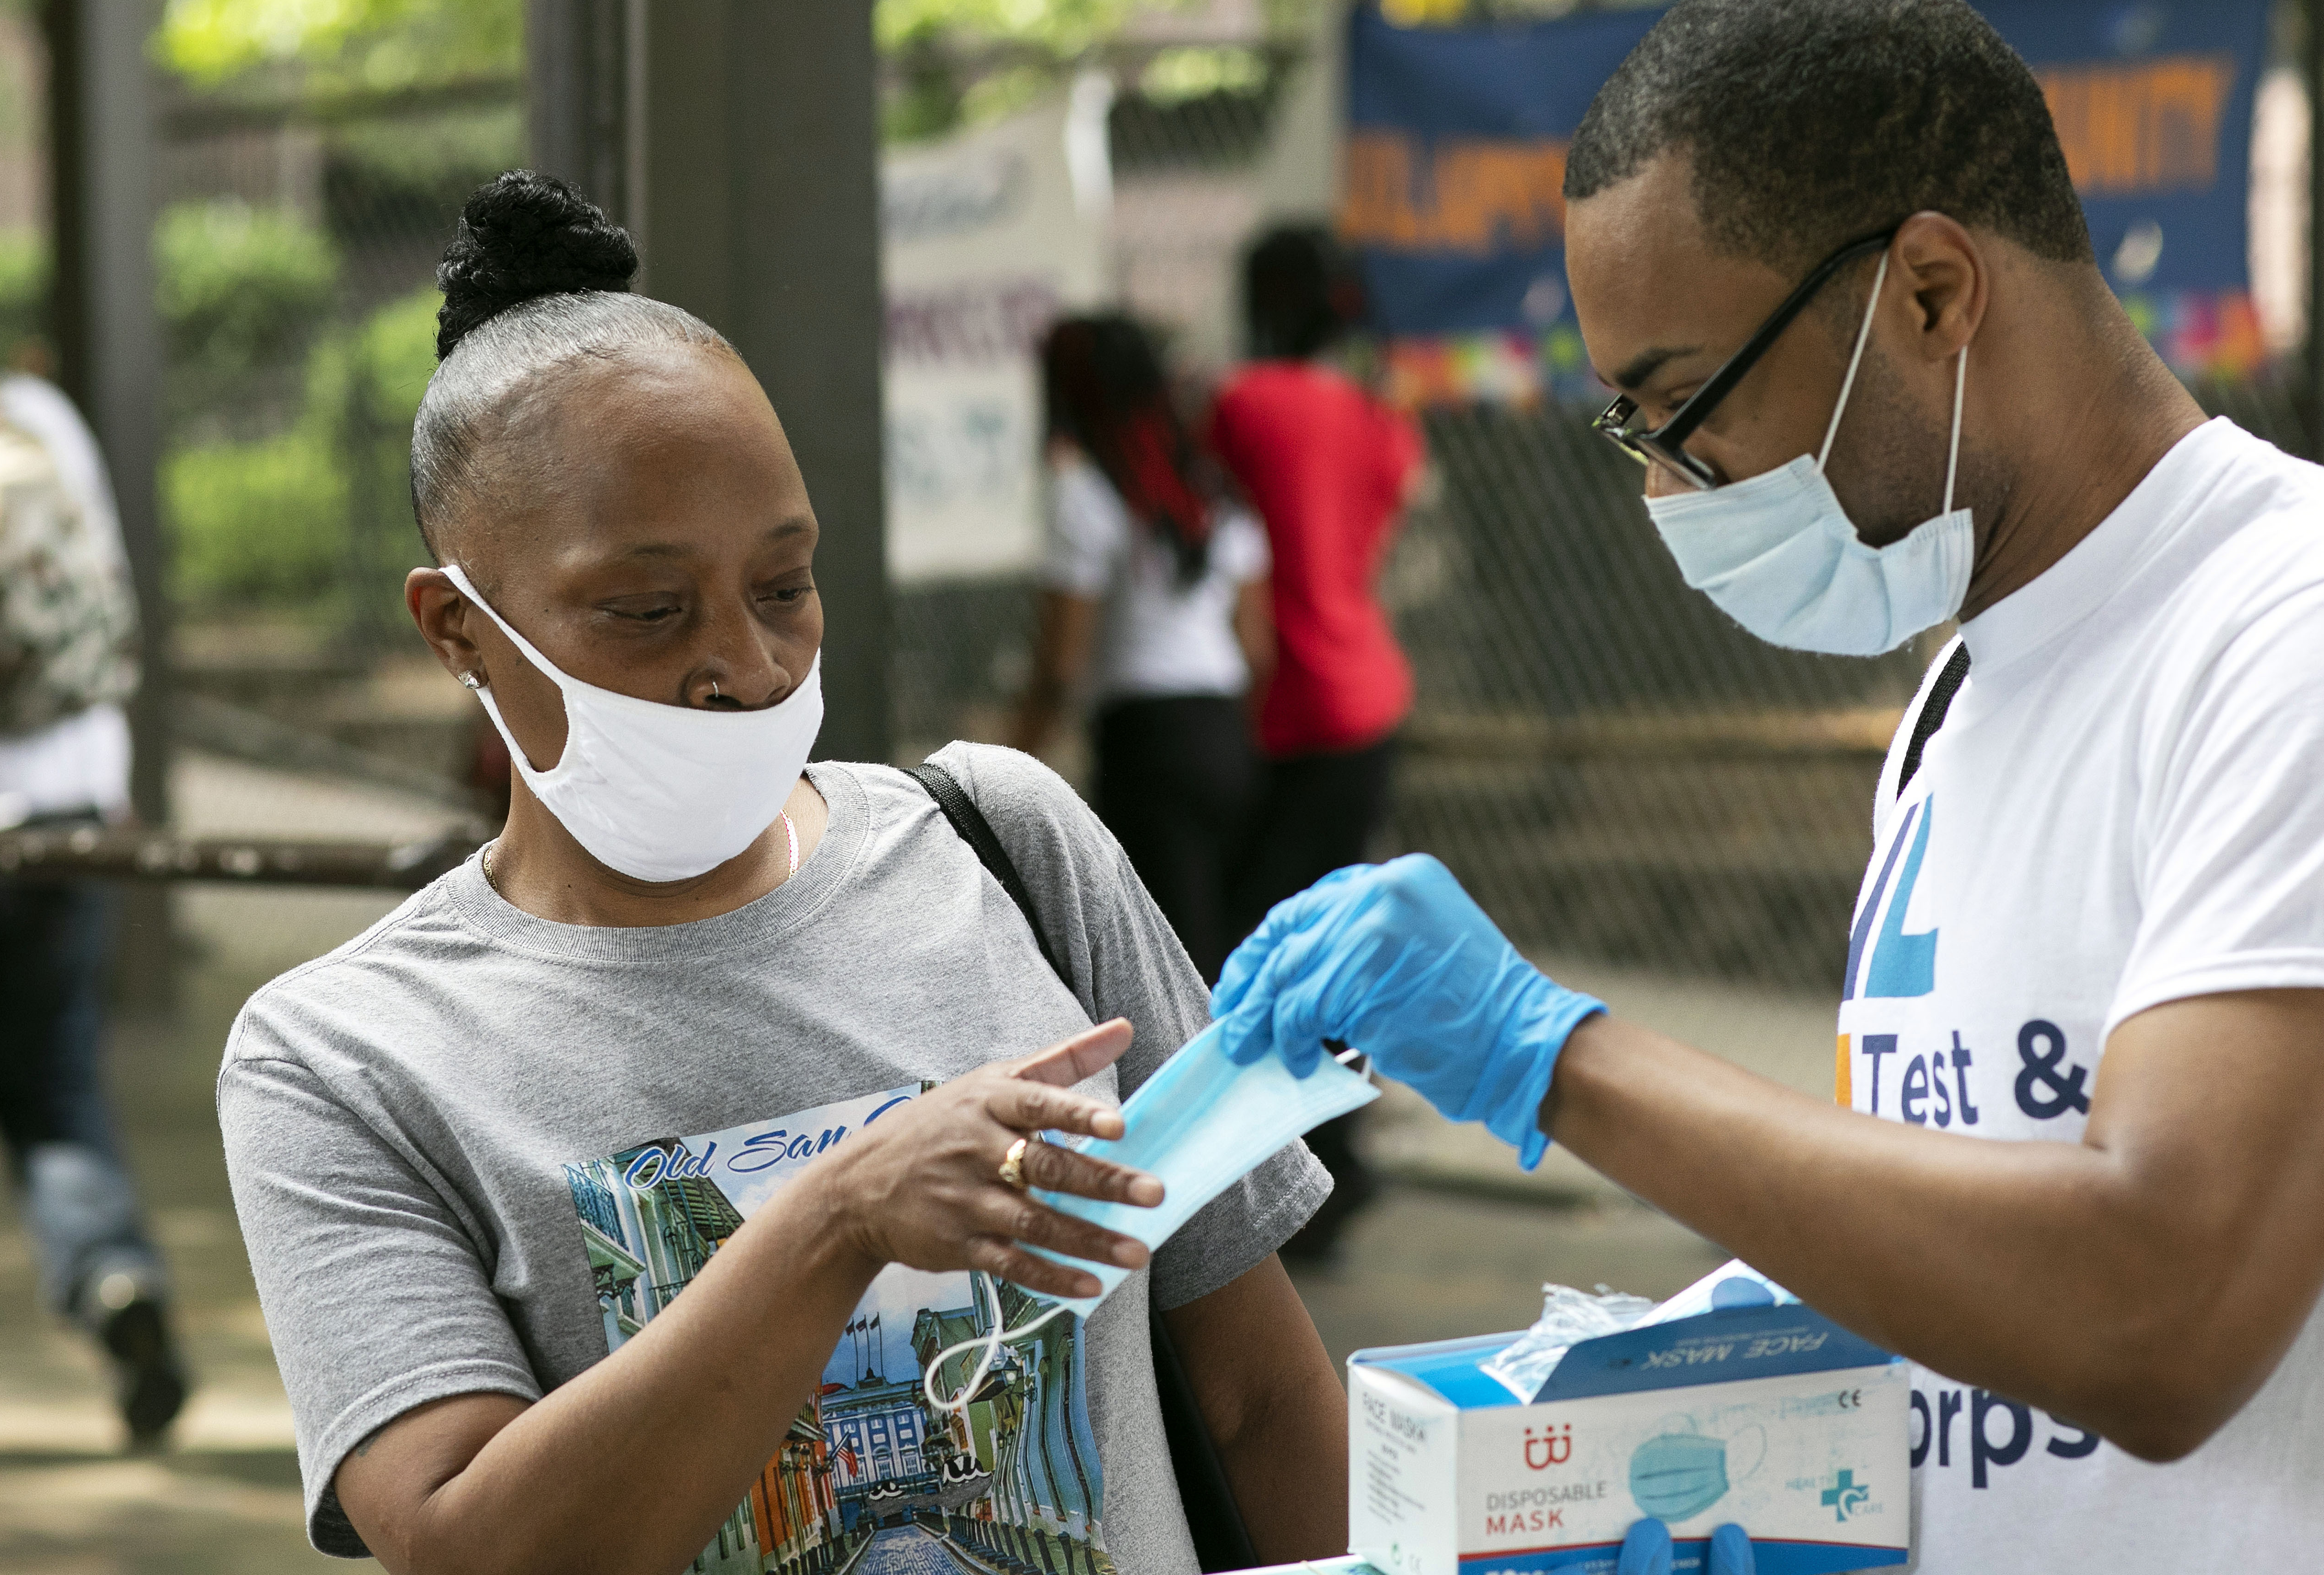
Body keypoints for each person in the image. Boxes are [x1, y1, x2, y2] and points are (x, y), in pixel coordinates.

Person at [1209, 0, 2324, 1571]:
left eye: (1687, 407)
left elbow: (2161, 1306)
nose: (1668, 489)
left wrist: (1555, 1055)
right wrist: (1637, 1422)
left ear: (1931, 290)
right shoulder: (1958, 701)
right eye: (1631, 426)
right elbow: (1960, 1238)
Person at [218, 173, 1348, 1574]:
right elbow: (466, 1548)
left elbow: (1261, 1398)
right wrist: (835, 1219)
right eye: (646, 610)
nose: (744, 669)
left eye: (784, 587)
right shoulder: (341, 1060)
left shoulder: (1005, 844)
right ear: (458, 627)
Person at [0, 201, 187, 1451]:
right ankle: (111, 1281)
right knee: (53, 1085)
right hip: (68, 812)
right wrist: (107, 776)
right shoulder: (32, 416)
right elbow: (108, 617)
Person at [1208, 225, 1425, 1257]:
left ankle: (1313, 1179)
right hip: (1368, 700)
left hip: (1285, 708)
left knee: (1260, 956)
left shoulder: (1241, 406)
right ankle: (1345, 1164)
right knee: (1334, 945)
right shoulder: (1382, 420)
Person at [1012, 314, 1272, 980]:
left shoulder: (1085, 492)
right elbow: (1256, 643)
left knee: (1166, 968)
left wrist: (1008, 761)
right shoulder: (1208, 485)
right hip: (1223, 729)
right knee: (1213, 947)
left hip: (1147, 743)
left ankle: (1196, 1087)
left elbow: (1062, 664)